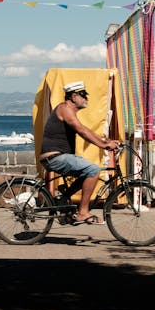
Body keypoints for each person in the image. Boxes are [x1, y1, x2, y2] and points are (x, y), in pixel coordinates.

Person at [39, 79, 119, 225]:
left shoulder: (68, 111)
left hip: (59, 156)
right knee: (93, 170)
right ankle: (82, 212)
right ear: (73, 97)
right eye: (82, 95)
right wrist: (104, 146)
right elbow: (81, 131)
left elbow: (86, 130)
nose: (86, 98)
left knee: (86, 172)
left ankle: (64, 198)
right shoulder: (64, 108)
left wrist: (106, 142)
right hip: (54, 157)